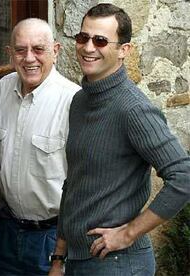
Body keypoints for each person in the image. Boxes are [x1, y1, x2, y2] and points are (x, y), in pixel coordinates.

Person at [50, 3, 190, 276]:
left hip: (118, 263)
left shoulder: (133, 109)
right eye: (83, 38)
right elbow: (75, 183)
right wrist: (59, 256)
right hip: (79, 262)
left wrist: (128, 233)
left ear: (124, 50)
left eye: (101, 40)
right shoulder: (80, 100)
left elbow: (183, 176)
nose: (89, 48)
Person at [0, 18, 81, 275]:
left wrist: (60, 258)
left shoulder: (73, 101)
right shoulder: (2, 89)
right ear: (10, 54)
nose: (29, 58)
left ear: (56, 50)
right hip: (7, 230)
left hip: (52, 239)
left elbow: (79, 183)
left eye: (38, 49)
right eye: (20, 50)